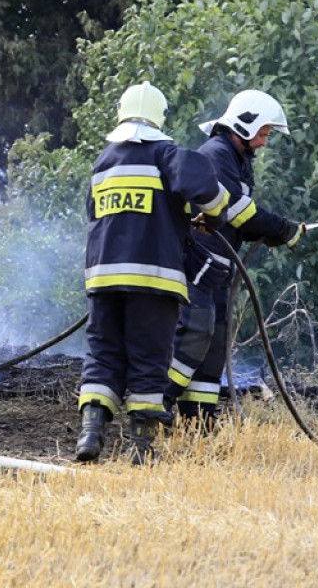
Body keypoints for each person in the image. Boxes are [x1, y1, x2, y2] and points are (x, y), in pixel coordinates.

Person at [75, 82, 229, 464]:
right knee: (149, 357)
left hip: (103, 279)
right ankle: (141, 448)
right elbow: (212, 193)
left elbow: (94, 217)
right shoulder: (167, 155)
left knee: (103, 352)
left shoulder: (103, 161)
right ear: (160, 118)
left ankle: (91, 434)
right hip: (153, 280)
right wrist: (208, 219)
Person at [166, 90, 307, 429]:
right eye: (262, 133)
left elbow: (234, 221)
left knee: (213, 347)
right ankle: (155, 403)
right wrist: (282, 228)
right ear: (244, 126)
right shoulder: (216, 155)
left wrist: (270, 232)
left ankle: (198, 422)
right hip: (197, 267)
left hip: (217, 270)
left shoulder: (235, 159)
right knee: (193, 337)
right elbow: (237, 211)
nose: (264, 142)